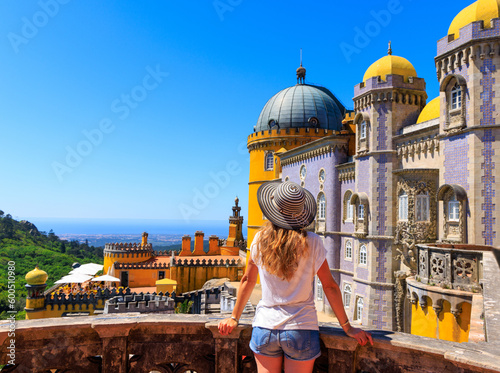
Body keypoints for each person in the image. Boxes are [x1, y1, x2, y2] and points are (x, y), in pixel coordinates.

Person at [218, 181, 373, 373]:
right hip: (301, 328)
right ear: (301, 213)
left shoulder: (259, 240)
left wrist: (234, 317)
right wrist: (347, 327)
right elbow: (330, 286)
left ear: (273, 209)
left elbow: (247, 281)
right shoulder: (313, 242)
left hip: (265, 327)